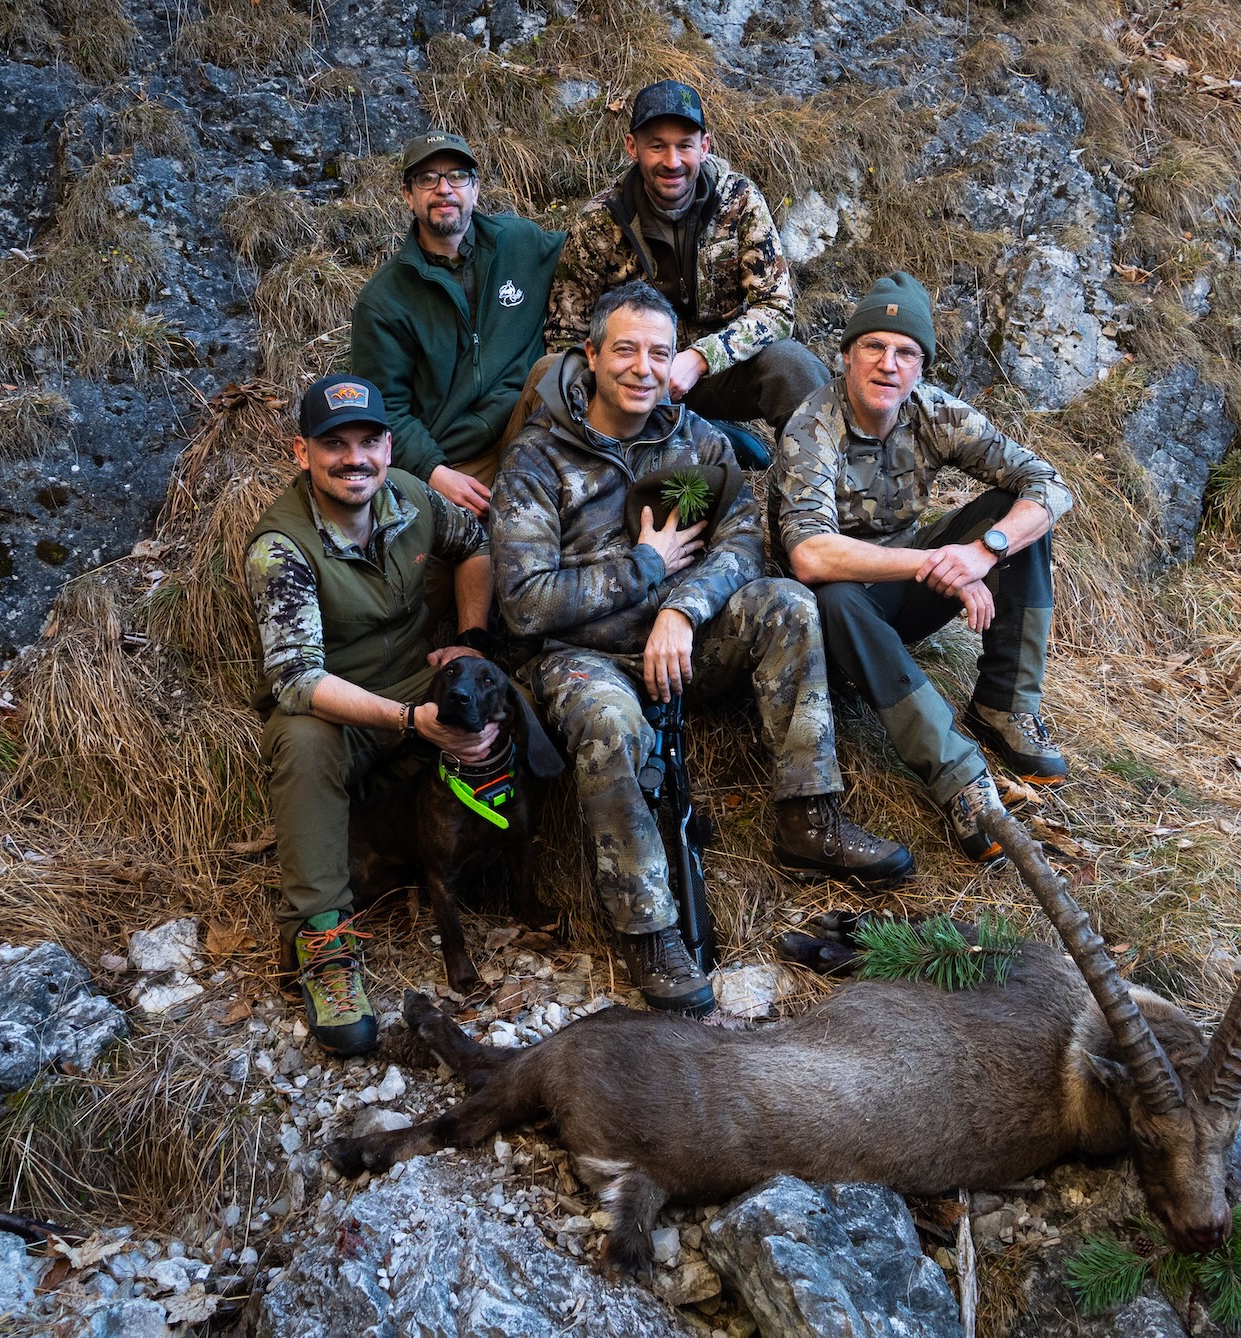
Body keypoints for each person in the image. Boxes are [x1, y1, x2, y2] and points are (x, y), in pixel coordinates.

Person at [491, 281, 911, 1015]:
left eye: (659, 352)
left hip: (683, 645)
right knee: (610, 721)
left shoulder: (698, 437)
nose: (643, 368)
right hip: (582, 658)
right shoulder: (536, 460)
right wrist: (645, 567)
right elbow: (525, 604)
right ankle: (649, 931)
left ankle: (808, 817)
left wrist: (682, 610)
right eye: (624, 350)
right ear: (591, 356)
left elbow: (747, 541)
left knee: (786, 603)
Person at [773, 273, 1075, 864]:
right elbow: (809, 555)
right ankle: (961, 780)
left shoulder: (934, 413)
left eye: (905, 352)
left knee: (1010, 517)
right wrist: (937, 564)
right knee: (834, 596)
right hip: (835, 617)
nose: (889, 364)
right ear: (846, 357)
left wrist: (982, 550)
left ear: (921, 367)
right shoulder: (812, 427)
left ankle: (1005, 704)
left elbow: (1049, 484)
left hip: (904, 592)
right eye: (874, 347)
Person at [246, 374, 500, 1056]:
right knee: (301, 745)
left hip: (416, 678)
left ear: (389, 447)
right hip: (342, 707)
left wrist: (471, 640)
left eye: (367, 441)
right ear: (302, 452)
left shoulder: (413, 497)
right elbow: (297, 680)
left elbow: (474, 542)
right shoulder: (281, 548)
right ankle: (325, 942)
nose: (353, 458)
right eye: (334, 444)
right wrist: (412, 720)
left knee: (513, 694)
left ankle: (512, 863)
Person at [542, 81, 823, 470]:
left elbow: (775, 308)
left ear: (704, 146)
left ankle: (815, 502)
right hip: (629, 379)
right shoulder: (600, 219)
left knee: (794, 367)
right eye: (657, 145)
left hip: (715, 373)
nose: (672, 161)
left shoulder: (739, 201)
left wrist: (699, 358)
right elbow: (564, 332)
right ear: (632, 147)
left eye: (685, 145)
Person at [350, 130, 567, 518]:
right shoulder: (383, 301)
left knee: (558, 369)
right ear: (408, 195)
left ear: (475, 188)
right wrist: (435, 473)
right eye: (428, 178)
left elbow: (595, 251)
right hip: (455, 461)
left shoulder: (520, 242)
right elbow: (385, 411)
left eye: (457, 176)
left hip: (531, 426)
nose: (444, 189)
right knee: (467, 559)